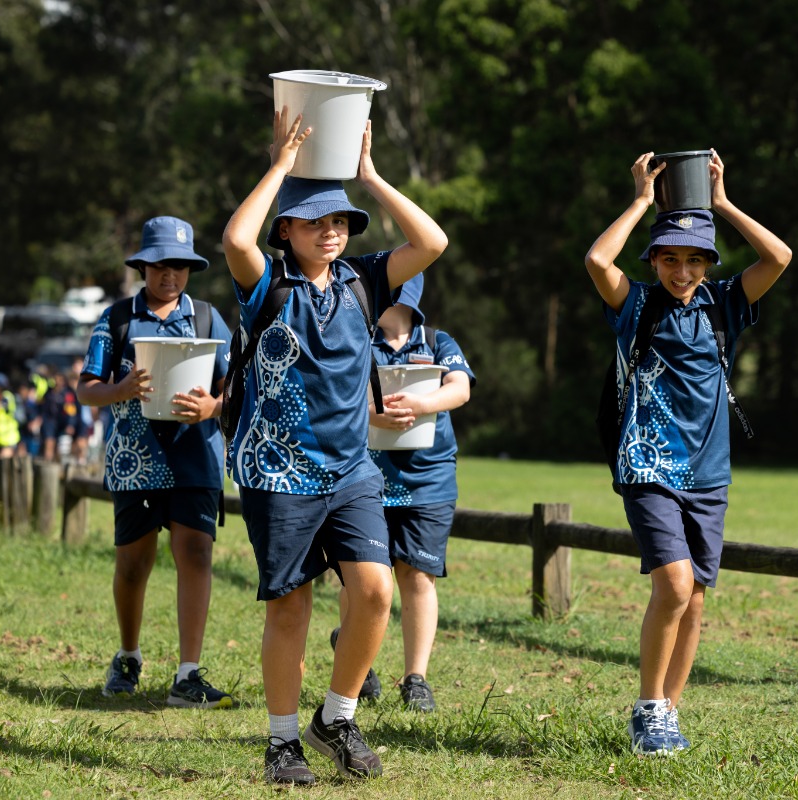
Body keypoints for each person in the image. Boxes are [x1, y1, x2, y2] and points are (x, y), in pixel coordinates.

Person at [222, 110, 448, 785]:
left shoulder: (365, 280)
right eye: (315, 221)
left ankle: (337, 717)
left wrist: (371, 176)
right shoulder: (266, 284)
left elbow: (431, 239)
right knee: (291, 605)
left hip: (352, 470)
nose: (331, 231)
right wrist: (283, 167)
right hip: (279, 472)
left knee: (375, 591)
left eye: (341, 221)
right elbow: (236, 236)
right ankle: (282, 743)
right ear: (285, 230)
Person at [583, 150, 791, 756]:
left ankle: (671, 712)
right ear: (653, 260)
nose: (681, 270)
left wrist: (722, 203)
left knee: (695, 593)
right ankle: (648, 709)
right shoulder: (636, 307)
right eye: (670, 258)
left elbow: (778, 257)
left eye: (694, 258)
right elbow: (598, 259)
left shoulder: (723, 304)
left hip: (709, 473)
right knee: (673, 586)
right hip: (647, 465)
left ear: (708, 262)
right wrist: (644, 200)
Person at [76, 215, 235, 710]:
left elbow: (240, 388)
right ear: (143, 266)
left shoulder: (208, 319)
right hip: (134, 461)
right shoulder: (117, 320)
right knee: (133, 563)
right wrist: (119, 390)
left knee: (196, 555)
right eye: (161, 266)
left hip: (196, 457)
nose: (171, 276)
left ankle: (188, 674)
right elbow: (86, 390)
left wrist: (213, 407)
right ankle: (128, 655)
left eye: (181, 267)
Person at [334, 272, 473, 712]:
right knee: (359, 577)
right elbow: (339, 393)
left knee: (418, 575)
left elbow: (461, 388)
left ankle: (416, 678)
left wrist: (421, 402)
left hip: (427, 480)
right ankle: (359, 659)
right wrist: (374, 415)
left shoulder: (437, 342)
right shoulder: (357, 336)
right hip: (363, 477)